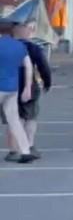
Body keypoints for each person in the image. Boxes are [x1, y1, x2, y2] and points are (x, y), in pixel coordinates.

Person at [3, 22, 51, 160]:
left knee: (12, 118)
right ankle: (29, 146)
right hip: (29, 86)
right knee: (30, 117)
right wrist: (47, 83)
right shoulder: (33, 48)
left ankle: (13, 150)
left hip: (8, 85)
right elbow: (42, 66)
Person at [0, 24, 35, 163]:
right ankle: (25, 151)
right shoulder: (20, 46)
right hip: (12, 88)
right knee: (14, 120)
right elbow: (28, 66)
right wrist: (27, 87)